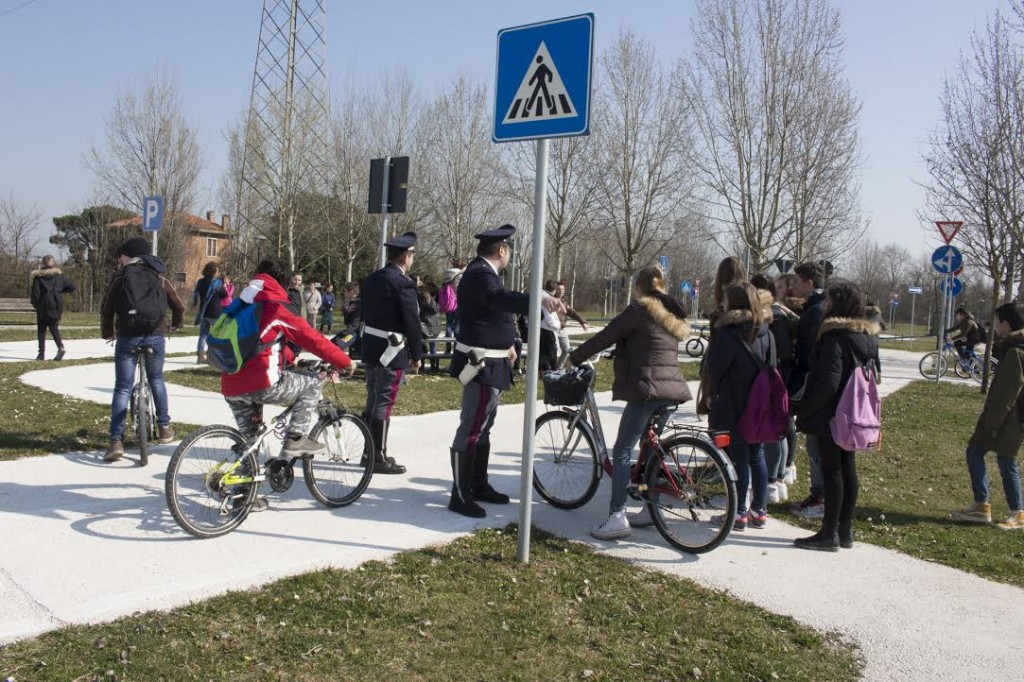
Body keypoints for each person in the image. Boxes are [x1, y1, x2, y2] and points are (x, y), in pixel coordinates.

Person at [568, 265, 692, 539]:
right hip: (672, 390)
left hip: (648, 390)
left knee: (623, 450)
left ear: (638, 287)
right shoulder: (668, 313)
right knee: (649, 449)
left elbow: (606, 335)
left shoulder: (638, 310)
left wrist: (574, 357)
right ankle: (651, 509)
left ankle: (617, 515)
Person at [447, 224, 563, 517]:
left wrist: (510, 342)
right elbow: (499, 300)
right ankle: (460, 494)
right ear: (502, 250)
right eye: (509, 250)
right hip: (481, 365)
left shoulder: (485, 275)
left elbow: (494, 314)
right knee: (472, 427)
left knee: (483, 426)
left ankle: (477, 483)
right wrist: (537, 298)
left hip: (494, 363)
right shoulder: (480, 275)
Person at [221, 259, 354, 510]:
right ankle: (296, 438)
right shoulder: (274, 308)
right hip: (262, 383)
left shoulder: (240, 305)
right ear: (281, 282)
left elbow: (261, 343)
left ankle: (243, 496)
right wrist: (344, 361)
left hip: (230, 384)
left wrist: (292, 361)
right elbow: (312, 338)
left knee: (251, 441)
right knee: (312, 385)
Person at [794, 280, 880, 551]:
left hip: (832, 414)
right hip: (853, 412)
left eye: (829, 300)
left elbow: (828, 381)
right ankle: (845, 530)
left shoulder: (835, 337)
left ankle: (828, 533)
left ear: (836, 304)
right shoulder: (865, 336)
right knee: (847, 469)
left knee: (832, 471)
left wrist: (805, 409)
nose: (825, 304)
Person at [100, 237, 185, 462]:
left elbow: (106, 308)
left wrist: (108, 332)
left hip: (128, 337)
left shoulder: (120, 278)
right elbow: (179, 305)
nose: (120, 259)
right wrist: (175, 324)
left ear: (129, 255)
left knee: (123, 387)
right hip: (155, 335)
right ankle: (165, 427)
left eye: (122, 256)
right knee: (156, 379)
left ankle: (115, 441)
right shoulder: (160, 276)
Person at [950, 301, 1024, 530]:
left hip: (1010, 418)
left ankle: (1014, 512)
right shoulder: (1014, 348)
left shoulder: (1015, 351)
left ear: (1006, 323)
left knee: (1000, 458)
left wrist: (992, 423)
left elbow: (1006, 392)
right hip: (1008, 417)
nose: (993, 327)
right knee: (988, 455)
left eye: (996, 322)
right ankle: (983, 506)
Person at [706, 281, 773, 531]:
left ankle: (738, 513)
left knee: (738, 458)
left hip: (734, 401)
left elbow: (716, 368)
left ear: (732, 302)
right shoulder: (766, 330)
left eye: (725, 299)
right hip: (759, 402)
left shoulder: (728, 332)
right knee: (757, 456)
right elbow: (772, 366)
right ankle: (759, 509)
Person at [359, 232, 423, 475]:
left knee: (373, 398)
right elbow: (411, 321)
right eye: (412, 255)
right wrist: (417, 354)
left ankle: (369, 451)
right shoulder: (402, 282)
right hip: (391, 349)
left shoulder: (372, 279)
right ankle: (377, 456)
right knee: (384, 402)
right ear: (406, 256)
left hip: (371, 347)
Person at [751, 273, 797, 504]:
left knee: (776, 432)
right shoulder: (775, 320)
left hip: (775, 379)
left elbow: (782, 353)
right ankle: (776, 477)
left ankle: (775, 478)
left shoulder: (775, 320)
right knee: (777, 431)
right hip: (775, 377)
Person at [789, 261, 828, 519]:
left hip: (812, 385)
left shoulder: (815, 312)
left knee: (817, 447)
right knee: (816, 446)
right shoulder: (816, 308)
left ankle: (820, 498)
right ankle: (819, 494)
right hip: (815, 384)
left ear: (809, 284)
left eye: (797, 282)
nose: (794, 286)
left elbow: (808, 353)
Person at [29, 255, 75, 362]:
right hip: (55, 306)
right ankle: (60, 347)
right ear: (52, 264)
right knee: (54, 328)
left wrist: (36, 305)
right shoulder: (59, 277)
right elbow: (72, 287)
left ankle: (41, 355)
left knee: (41, 330)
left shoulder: (38, 278)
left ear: (43, 264)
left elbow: (35, 295)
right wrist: (58, 292)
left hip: (42, 307)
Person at [192, 261, 224, 364]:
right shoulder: (217, 283)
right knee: (217, 336)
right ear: (214, 272)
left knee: (203, 335)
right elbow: (224, 295)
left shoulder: (200, 282)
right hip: (215, 313)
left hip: (204, 312)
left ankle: (200, 357)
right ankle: (215, 357)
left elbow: (196, 295)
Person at [553, 280, 589, 361]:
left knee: (566, 350)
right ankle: (552, 369)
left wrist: (583, 322)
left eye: (562, 289)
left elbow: (573, 313)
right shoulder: (550, 300)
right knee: (554, 349)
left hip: (561, 329)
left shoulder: (564, 302)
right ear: (555, 290)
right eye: (559, 289)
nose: (561, 291)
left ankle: (558, 369)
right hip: (552, 329)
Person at [417, 276, 441, 371]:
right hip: (435, 326)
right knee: (432, 346)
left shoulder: (422, 295)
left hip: (426, 326)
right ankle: (433, 364)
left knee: (422, 344)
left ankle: (422, 364)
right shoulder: (434, 293)